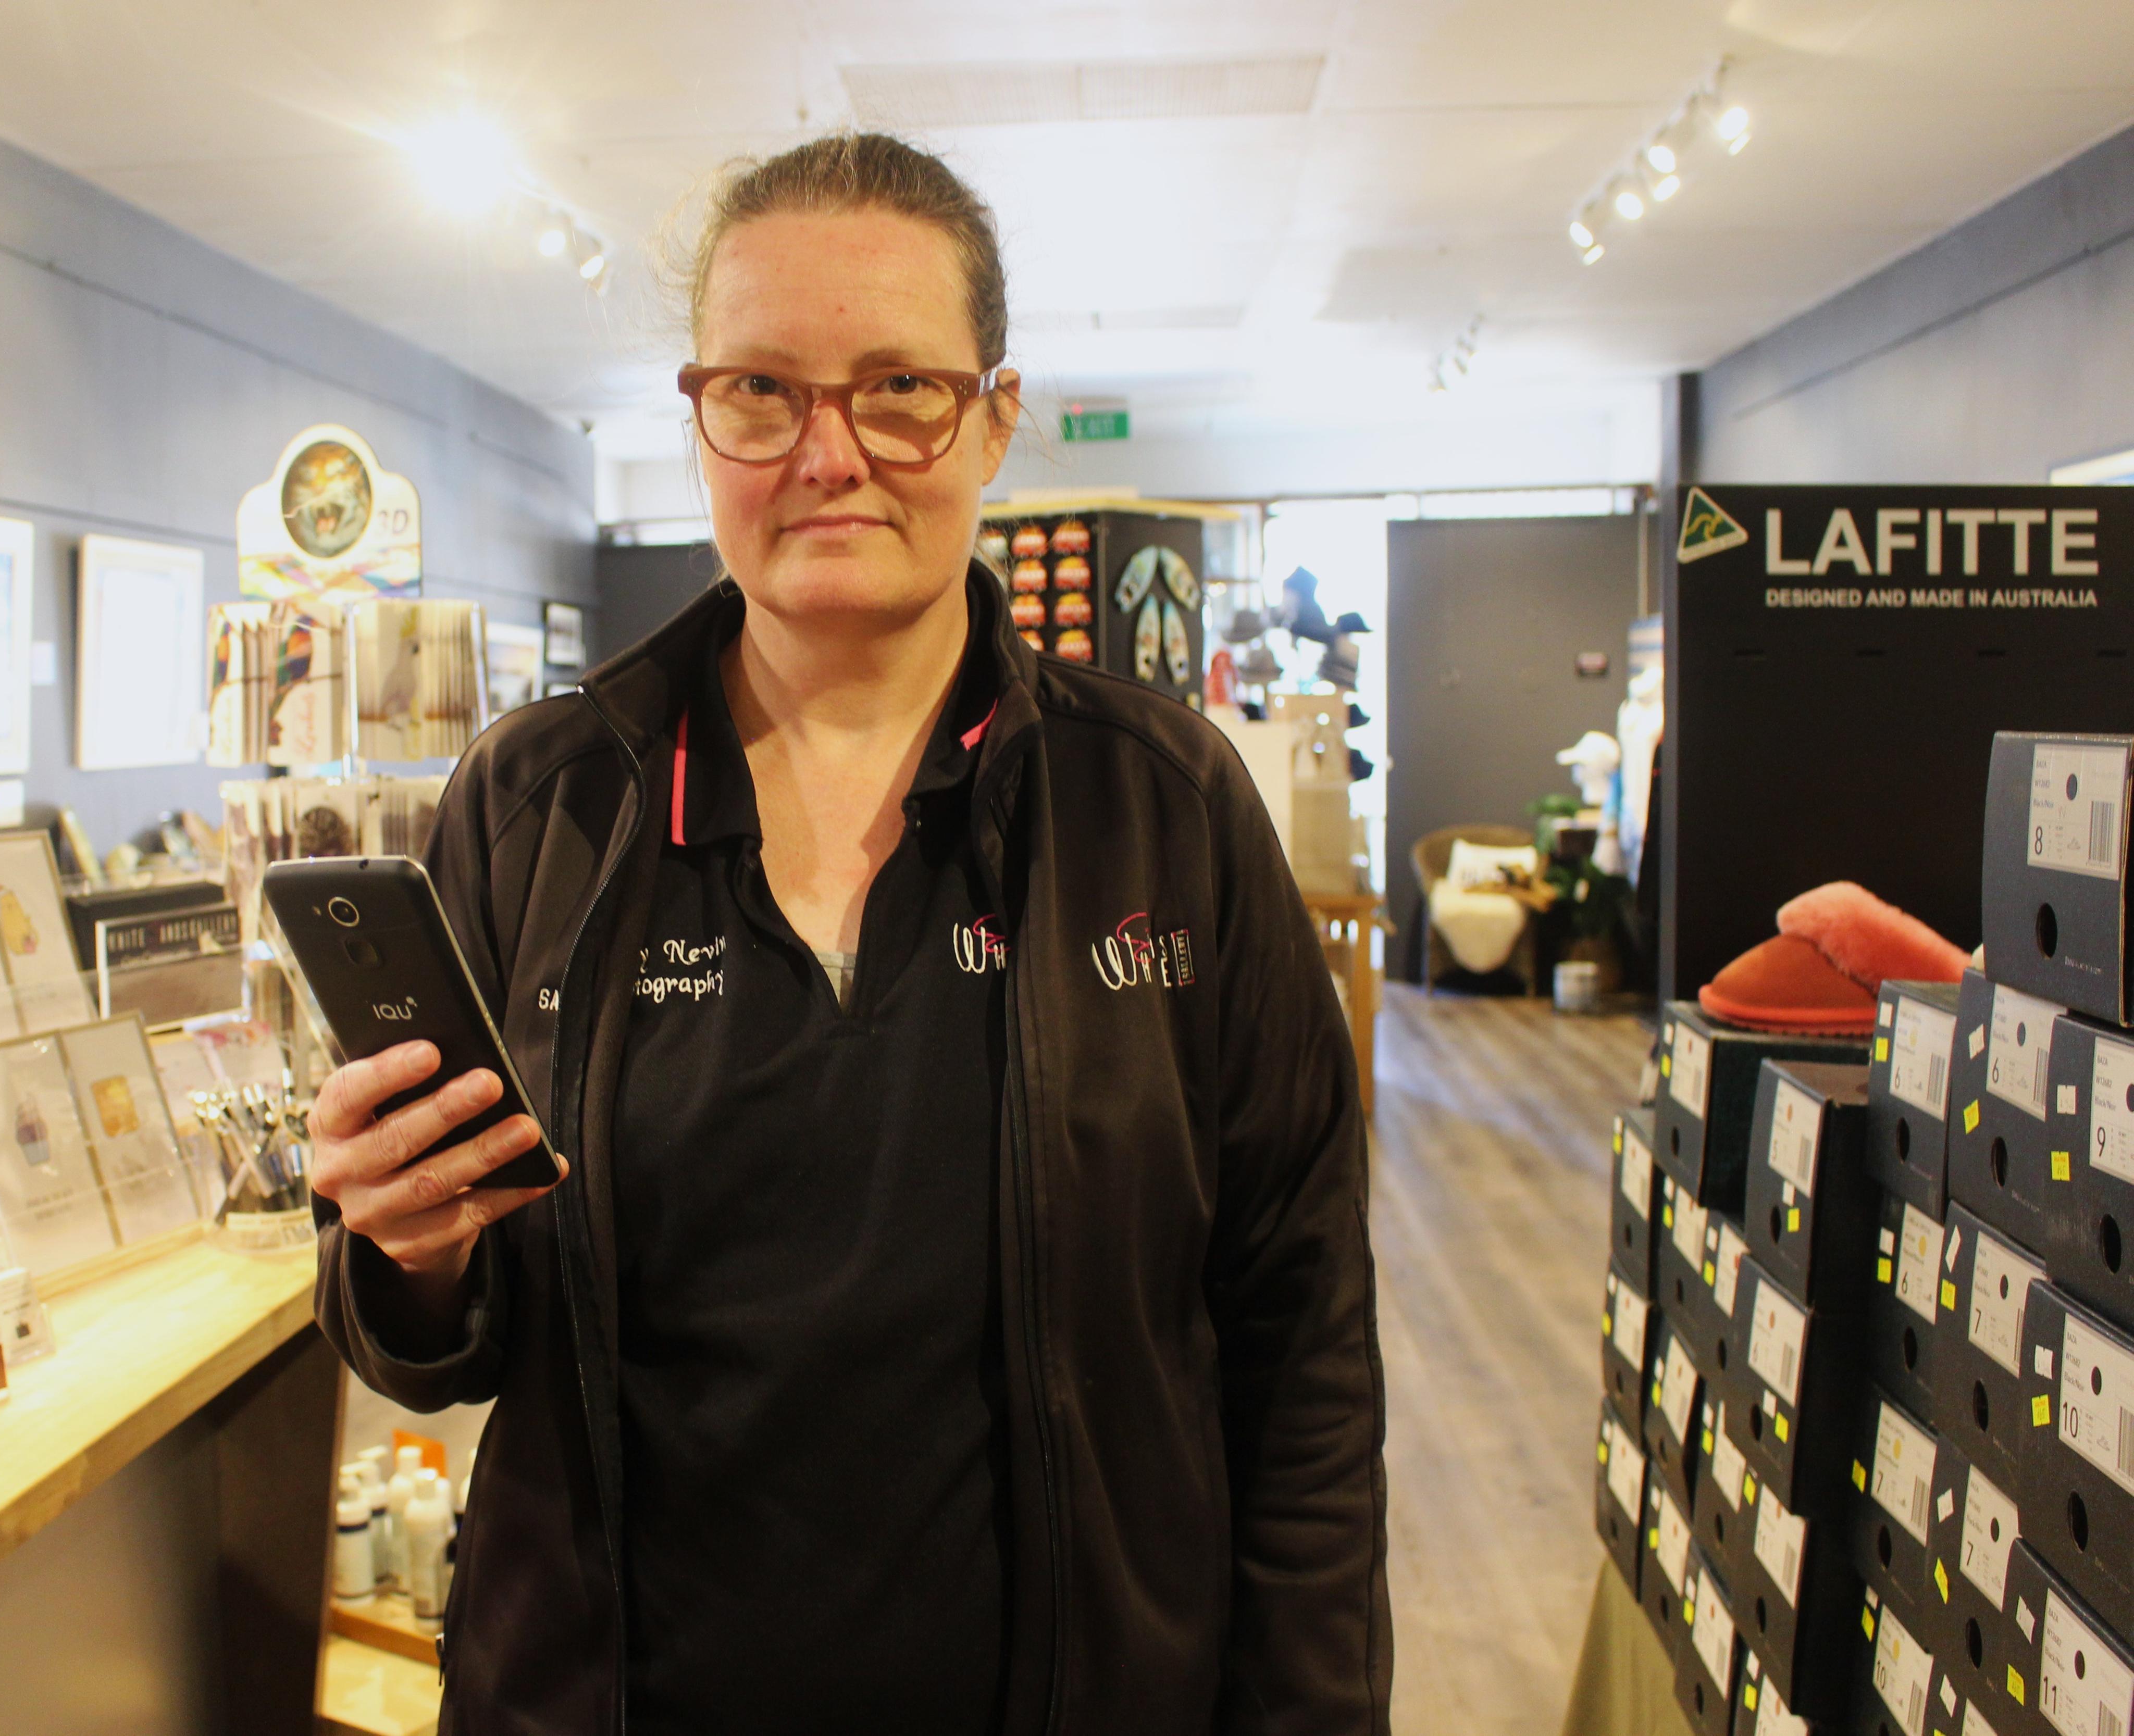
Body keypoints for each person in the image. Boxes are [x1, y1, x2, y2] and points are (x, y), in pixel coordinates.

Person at [309, 131, 1389, 1735]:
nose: (831, 453)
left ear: (993, 419)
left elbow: (1301, 1350)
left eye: (899, 388)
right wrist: (404, 1252)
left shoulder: (1163, 808)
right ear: (699, 417)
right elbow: (442, 1350)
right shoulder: (541, 806)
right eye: (762, 391)